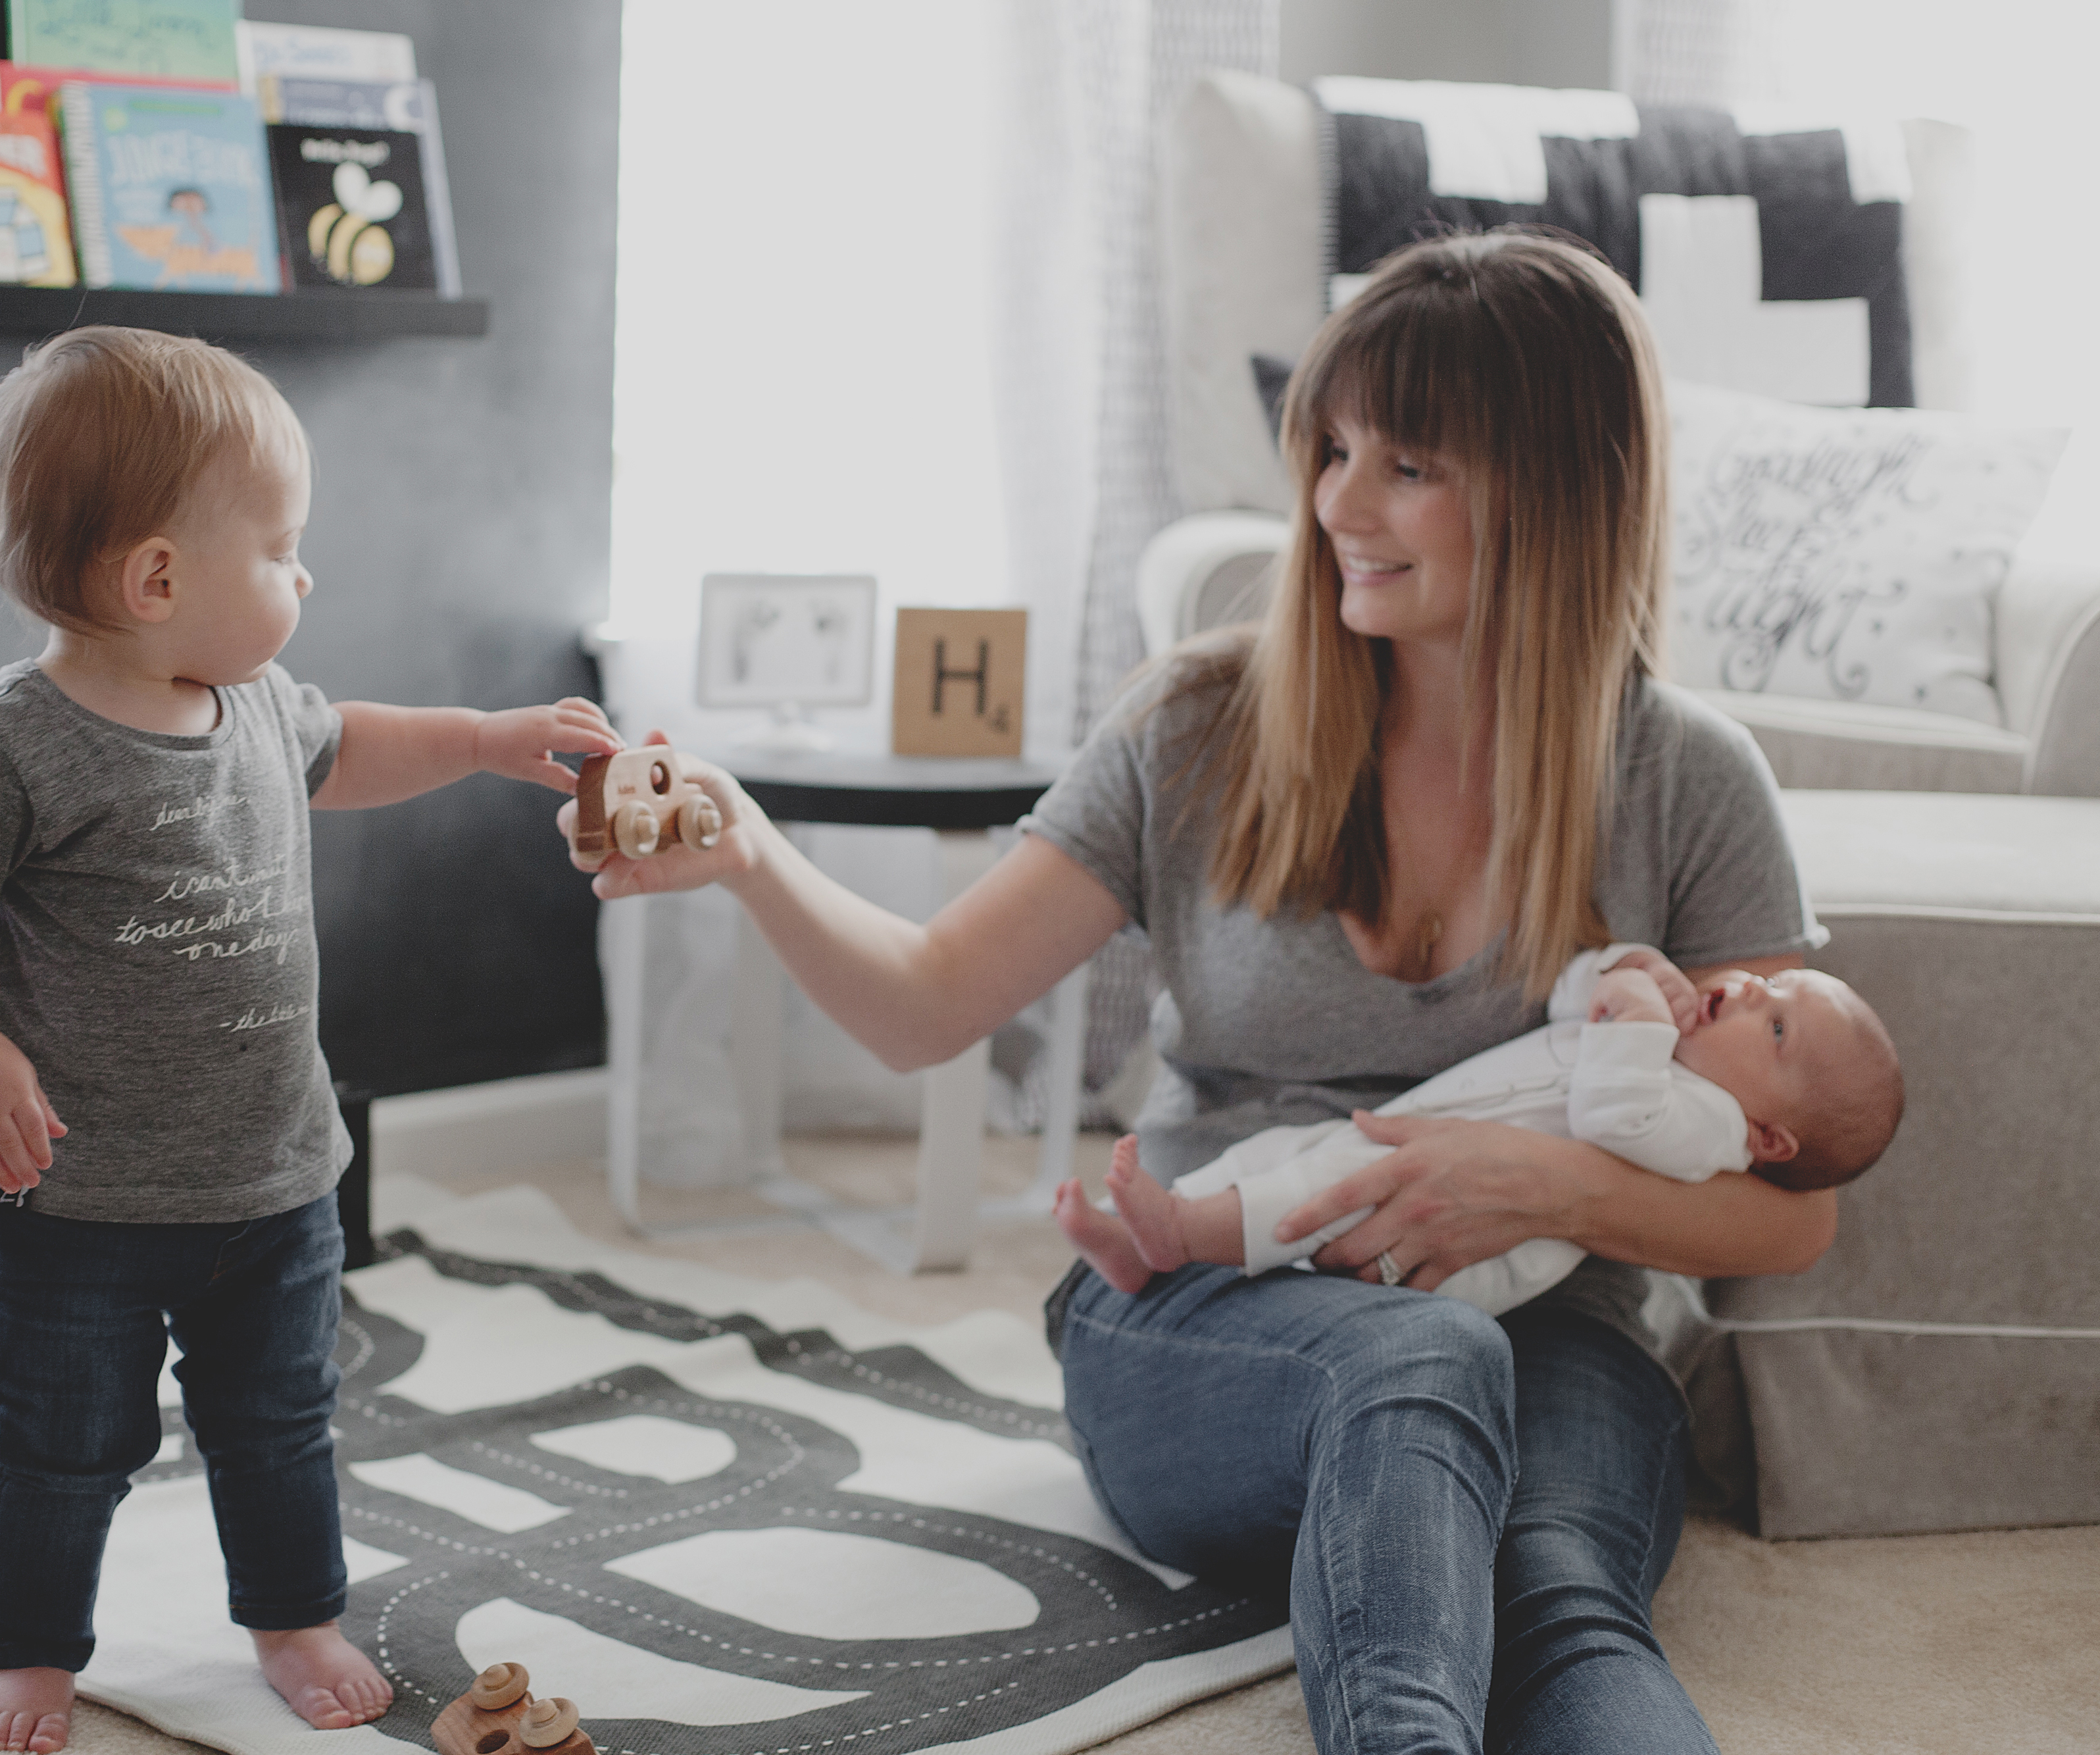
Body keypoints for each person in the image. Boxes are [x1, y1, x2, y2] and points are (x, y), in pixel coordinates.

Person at [562, 230, 1836, 1754]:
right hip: (1206, 1311)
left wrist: (1537, 1181)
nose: (1337, 505)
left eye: (1407, 464)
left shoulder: (1683, 779)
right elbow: (922, 1005)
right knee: (1425, 1358)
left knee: (1556, 1592)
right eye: (1334, 448)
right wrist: (749, 850)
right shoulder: (1202, 725)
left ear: (1561, 490)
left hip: (1554, 1321)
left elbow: (1789, 1209)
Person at [0, 326, 618, 1755]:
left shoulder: (259, 703)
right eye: (279, 547)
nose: (303, 572)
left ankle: (290, 1614)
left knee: (281, 1423)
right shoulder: (3, 746)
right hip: (72, 1203)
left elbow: (363, 745)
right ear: (157, 577)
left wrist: (485, 737)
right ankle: (29, 1645)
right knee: (61, 1443)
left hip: (273, 1184)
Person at [1056, 944, 1900, 1310]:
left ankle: (1177, 1233)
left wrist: (1641, 1019)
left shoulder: (1708, 1129)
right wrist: (1623, 971)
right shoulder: (1670, 1045)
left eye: (1777, 1028)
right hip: (1412, 1138)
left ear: (1770, 1139)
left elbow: (1611, 1114)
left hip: (1459, 1245)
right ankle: (1147, 1245)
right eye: (1773, 987)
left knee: (1315, 1193)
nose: (1753, 992)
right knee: (1284, 1158)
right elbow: (1571, 999)